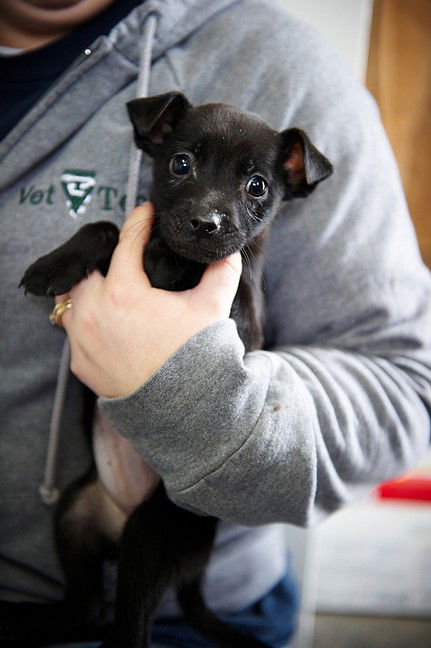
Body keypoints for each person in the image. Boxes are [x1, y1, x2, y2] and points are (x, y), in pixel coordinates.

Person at [1, 0, 430, 646]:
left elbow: (407, 384)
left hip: (186, 601)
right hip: (55, 552)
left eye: (253, 188)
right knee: (78, 517)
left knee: (151, 546)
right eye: (183, 167)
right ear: (156, 139)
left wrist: (193, 395)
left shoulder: (286, 66)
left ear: (291, 179)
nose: (208, 210)